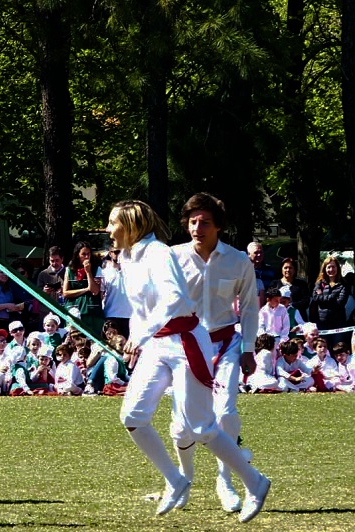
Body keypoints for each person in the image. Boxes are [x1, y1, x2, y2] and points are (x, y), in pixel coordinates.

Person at [107, 199, 269, 523]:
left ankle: (255, 482)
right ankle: (176, 480)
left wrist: (142, 335)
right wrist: (134, 340)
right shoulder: (127, 258)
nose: (109, 229)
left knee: (201, 426)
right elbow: (140, 309)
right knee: (133, 415)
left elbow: (174, 299)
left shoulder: (159, 253)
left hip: (186, 342)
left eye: (113, 223)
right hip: (157, 344)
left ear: (131, 225)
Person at [167, 193, 261, 513]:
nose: (197, 227)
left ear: (218, 226)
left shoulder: (238, 260)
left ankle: (226, 480)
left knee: (225, 414)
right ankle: (183, 478)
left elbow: (249, 308)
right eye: (192, 222)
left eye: (204, 222)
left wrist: (248, 348)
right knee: (182, 427)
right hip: (186, 347)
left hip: (226, 345)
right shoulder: (173, 257)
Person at [62, 241, 104, 339]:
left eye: (88, 254)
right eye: (83, 254)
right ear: (77, 255)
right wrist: (85, 289)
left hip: (91, 311)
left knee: (93, 340)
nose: (86, 257)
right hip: (74, 310)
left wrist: (88, 272)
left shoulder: (96, 269)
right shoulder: (69, 270)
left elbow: (95, 291)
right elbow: (65, 293)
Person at [310, 255, 350, 347]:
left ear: (337, 268)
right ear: (324, 269)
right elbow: (315, 298)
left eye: (333, 267)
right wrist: (332, 297)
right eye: (329, 267)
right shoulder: (319, 283)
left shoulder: (343, 284)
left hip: (338, 324)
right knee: (324, 350)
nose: (331, 269)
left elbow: (340, 303)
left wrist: (322, 297)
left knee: (337, 349)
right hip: (322, 323)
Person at [268, 257, 311, 321]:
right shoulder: (274, 284)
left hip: (299, 319)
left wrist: (290, 305)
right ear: (281, 269)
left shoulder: (302, 284)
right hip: (278, 320)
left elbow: (306, 301)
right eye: (285, 268)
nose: (288, 270)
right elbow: (270, 301)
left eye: (290, 268)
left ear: (294, 270)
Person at [0, 267, 24, 333]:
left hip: (7, 322)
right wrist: (7, 305)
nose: (5, 274)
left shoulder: (8, 288)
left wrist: (13, 307)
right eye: (1, 272)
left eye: (6, 272)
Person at [247, 242, 275, 307]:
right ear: (248, 254)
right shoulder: (244, 271)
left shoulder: (270, 270)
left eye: (261, 252)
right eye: (256, 253)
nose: (259, 255)